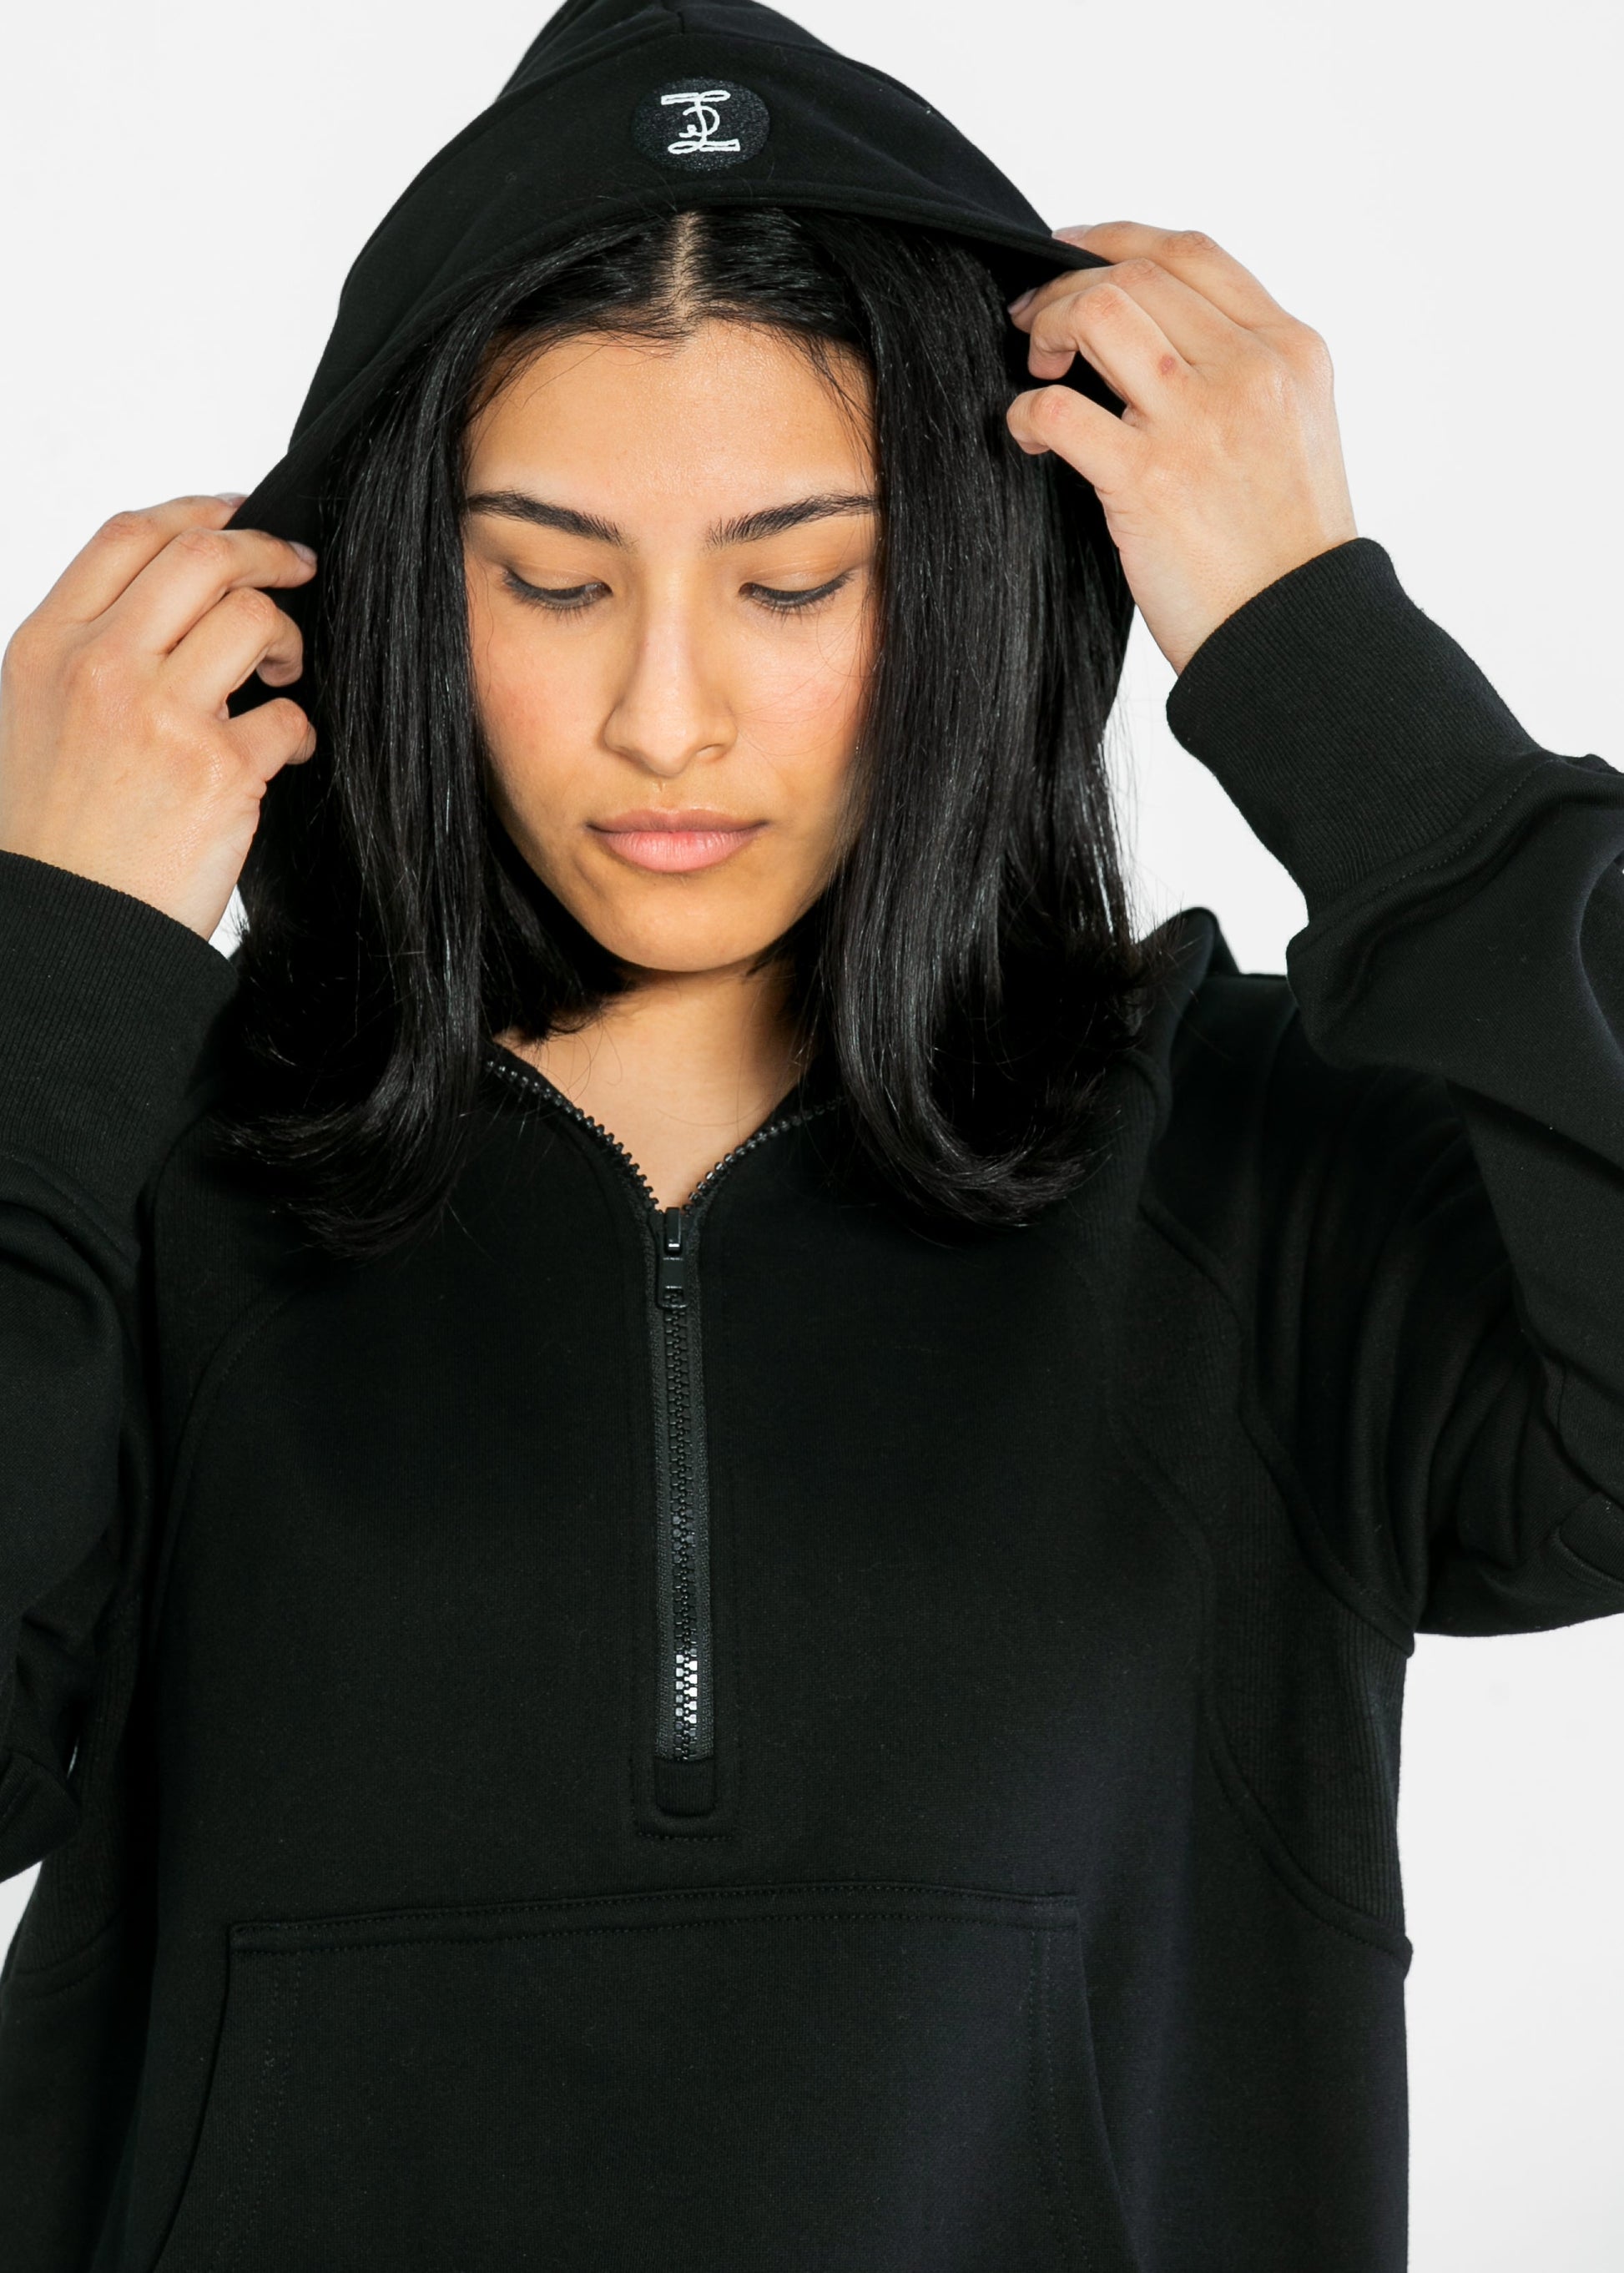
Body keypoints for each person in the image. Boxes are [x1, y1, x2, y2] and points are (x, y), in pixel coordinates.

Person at [1, 1, 1620, 2267]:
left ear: (965, 569)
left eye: (793, 580)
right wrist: (57, 975)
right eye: (550, 579)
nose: (665, 713)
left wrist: (1315, 650)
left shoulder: (1253, 1176)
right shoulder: (138, 1176)